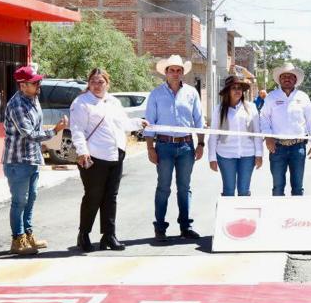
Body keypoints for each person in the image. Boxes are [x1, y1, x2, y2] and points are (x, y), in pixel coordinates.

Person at [70, 68, 148, 253]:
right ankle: (84, 234)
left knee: (111, 198)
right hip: (94, 156)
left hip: (116, 154)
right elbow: (77, 129)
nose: (97, 85)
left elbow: (123, 123)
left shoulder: (113, 101)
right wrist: (82, 151)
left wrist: (139, 123)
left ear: (107, 83)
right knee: (93, 197)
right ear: (88, 83)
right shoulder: (81, 103)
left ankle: (109, 235)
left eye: (101, 82)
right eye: (94, 82)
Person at [3, 65, 68, 255]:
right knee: (19, 201)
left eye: (38, 81)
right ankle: (18, 239)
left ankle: (28, 235)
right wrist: (54, 131)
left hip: (32, 158)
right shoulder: (16, 106)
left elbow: (35, 129)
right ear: (23, 86)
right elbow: (29, 134)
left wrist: (46, 141)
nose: (39, 84)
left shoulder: (34, 98)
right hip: (18, 160)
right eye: (35, 82)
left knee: (31, 199)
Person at [143, 54, 206, 244]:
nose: (176, 73)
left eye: (179, 70)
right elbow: (149, 123)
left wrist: (201, 143)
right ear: (166, 73)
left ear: (183, 73)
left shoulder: (192, 93)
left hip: (186, 145)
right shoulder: (156, 94)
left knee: (184, 188)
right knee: (163, 187)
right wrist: (150, 148)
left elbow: (199, 120)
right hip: (164, 146)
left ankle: (185, 226)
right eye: (172, 70)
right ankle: (160, 227)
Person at [260, 62, 311, 195]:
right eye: (284, 76)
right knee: (278, 187)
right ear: (279, 79)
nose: (287, 78)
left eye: (290, 76)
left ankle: (296, 216)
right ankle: (278, 215)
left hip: (298, 147)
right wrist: (268, 137)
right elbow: (264, 118)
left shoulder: (303, 97)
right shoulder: (271, 97)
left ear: (295, 79)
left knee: (298, 188)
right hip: (277, 147)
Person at [208, 74, 264, 196]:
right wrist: (212, 158)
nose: (238, 91)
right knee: (228, 190)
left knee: (244, 191)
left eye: (240, 88)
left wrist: (259, 154)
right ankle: (227, 215)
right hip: (226, 154)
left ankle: (243, 216)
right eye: (234, 88)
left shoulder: (251, 108)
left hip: (248, 155)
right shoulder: (219, 109)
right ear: (228, 91)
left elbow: (257, 133)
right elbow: (213, 135)